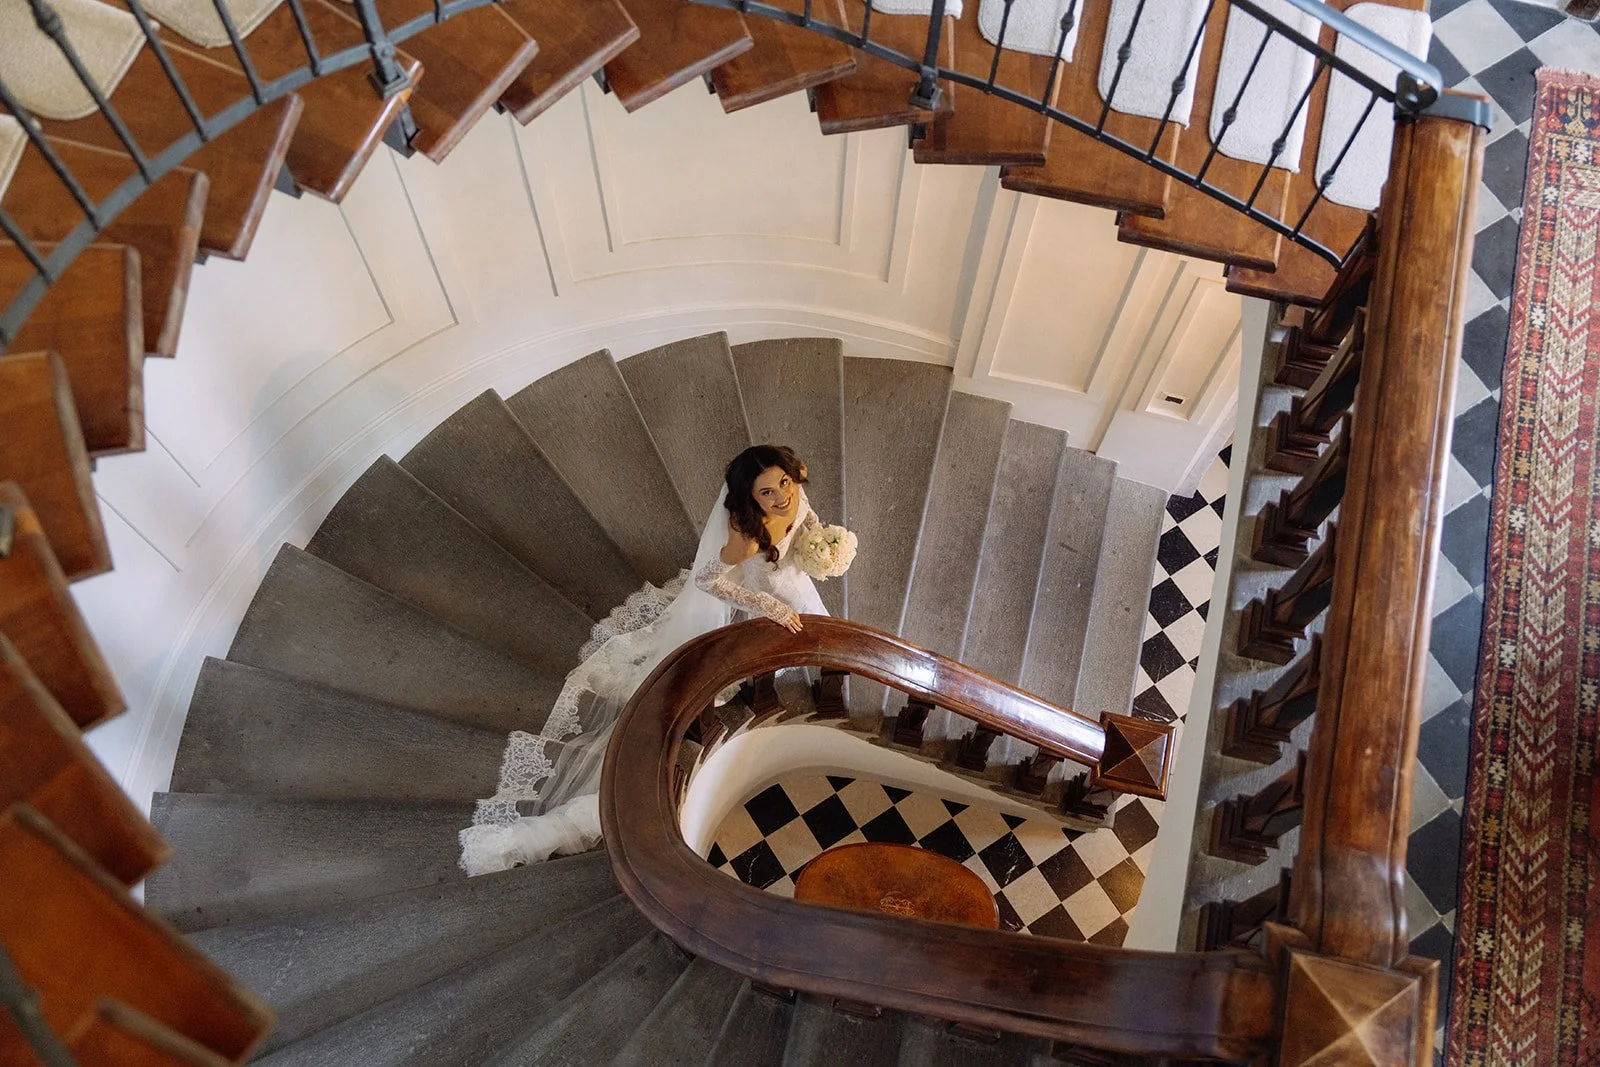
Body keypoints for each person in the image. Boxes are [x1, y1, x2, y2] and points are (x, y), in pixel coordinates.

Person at [459, 444, 830, 875]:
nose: (781, 497)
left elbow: (807, 517)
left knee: (819, 626)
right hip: (770, 597)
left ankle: (817, 662)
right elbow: (707, 579)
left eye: (783, 483)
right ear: (751, 499)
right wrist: (763, 602)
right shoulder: (746, 537)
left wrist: (820, 544)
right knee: (783, 642)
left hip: (798, 586)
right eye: (766, 493)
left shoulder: (795, 493)